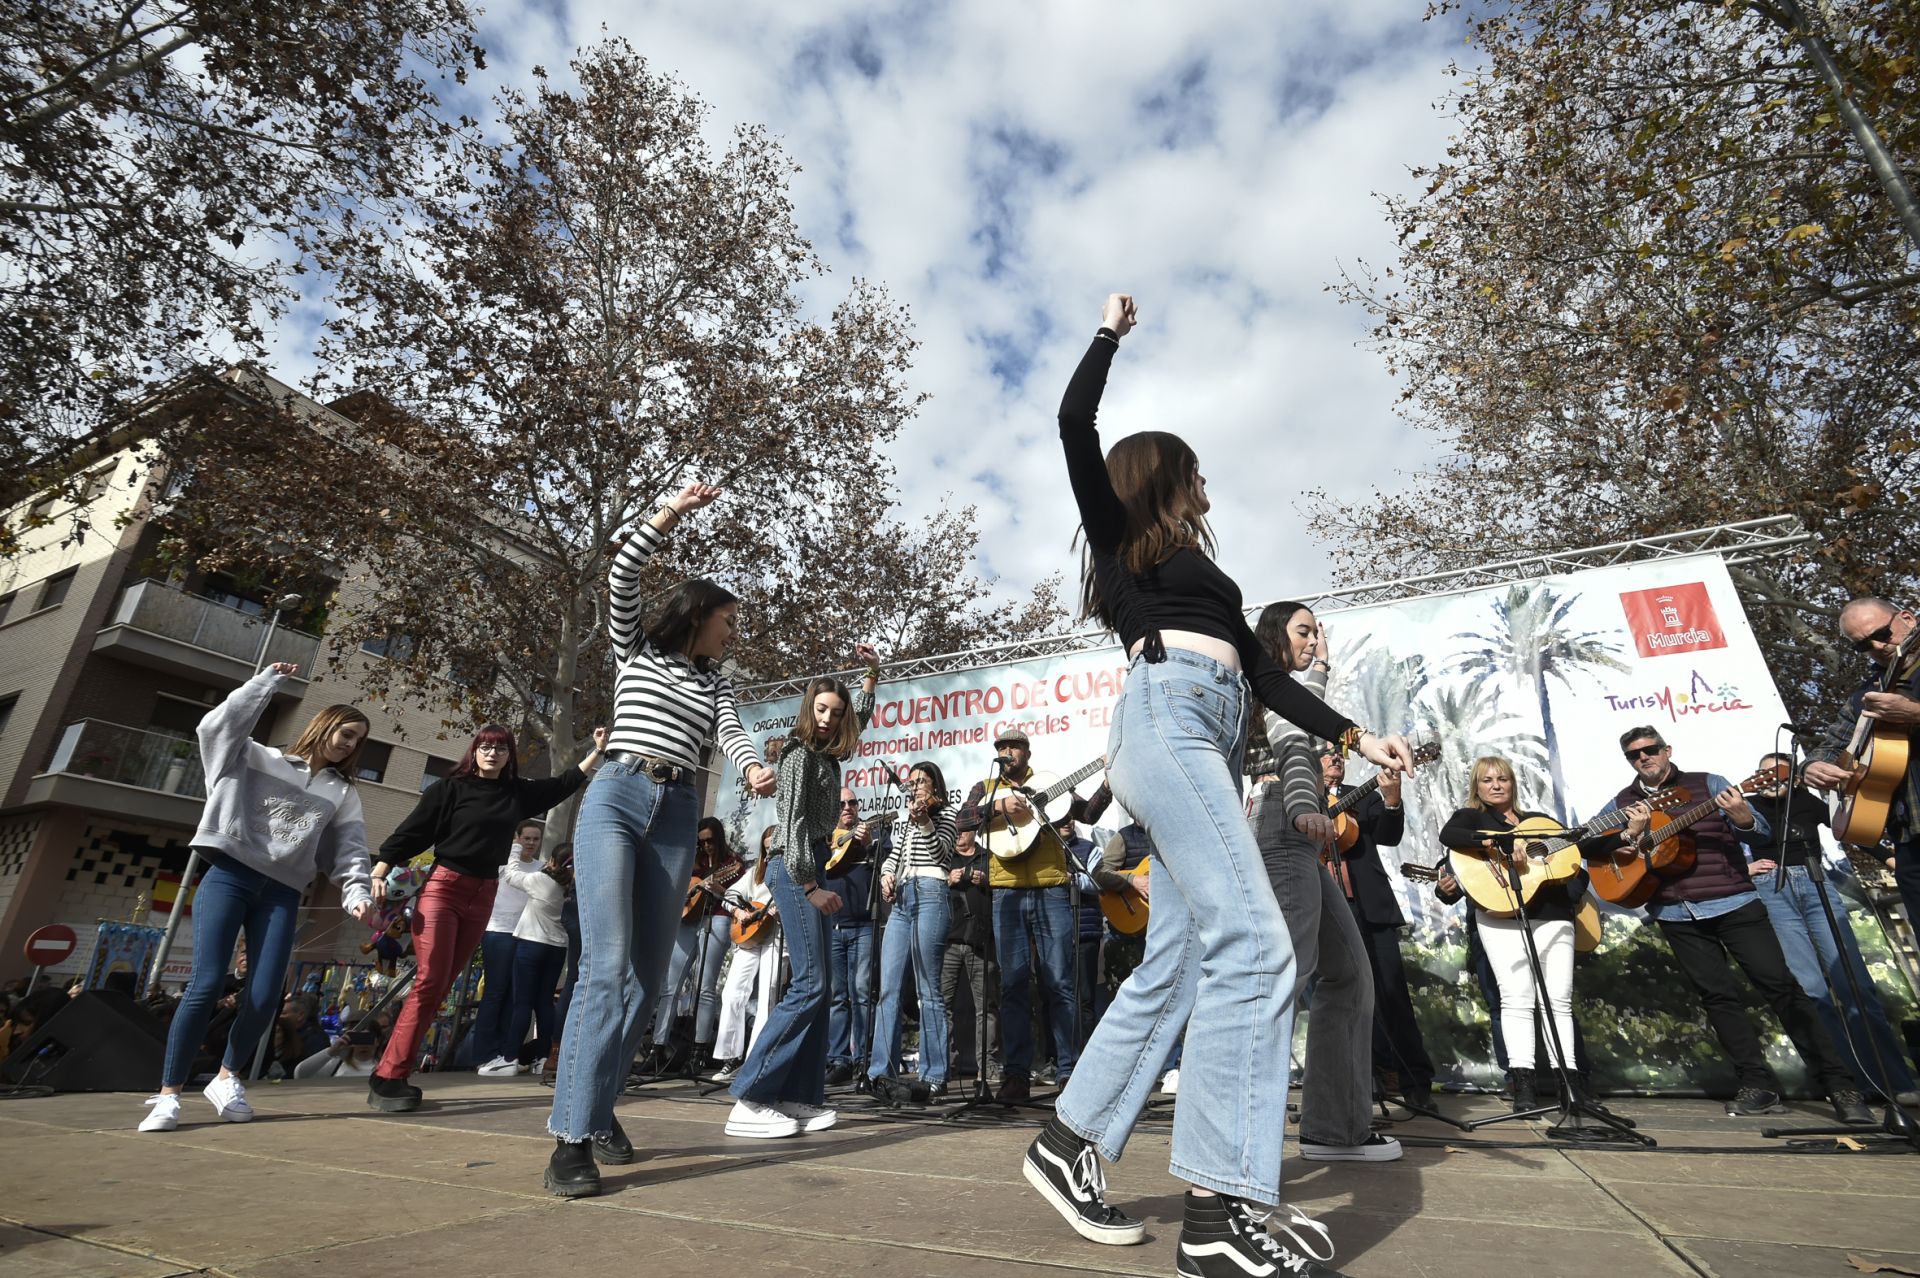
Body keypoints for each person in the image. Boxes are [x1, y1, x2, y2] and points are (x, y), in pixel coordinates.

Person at [1022, 293, 1413, 1278]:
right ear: (1161, 477)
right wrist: (1107, 333)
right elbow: (1074, 423)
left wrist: (1359, 733)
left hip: (1209, 733)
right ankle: (1219, 1210)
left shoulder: (1208, 573)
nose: (1207, 481)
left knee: (1186, 962)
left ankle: (1069, 1143)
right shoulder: (1119, 542)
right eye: (1194, 468)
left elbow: (1270, 677)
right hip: (1166, 724)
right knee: (1256, 944)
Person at [546, 481, 775, 1197]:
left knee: (648, 984)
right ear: (700, 614)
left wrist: (753, 766)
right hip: (616, 795)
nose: (734, 634)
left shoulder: (716, 687)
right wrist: (676, 509)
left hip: (677, 811)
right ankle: (571, 1138)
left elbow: (732, 736)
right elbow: (622, 574)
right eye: (729, 622)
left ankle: (599, 1105)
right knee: (606, 969)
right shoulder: (635, 650)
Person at [139, 665, 375, 1132]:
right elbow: (215, 726)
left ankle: (227, 1078)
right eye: (346, 733)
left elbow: (349, 849)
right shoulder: (254, 758)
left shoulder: (342, 793)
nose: (350, 744)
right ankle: (168, 1095)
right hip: (230, 875)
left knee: (267, 995)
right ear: (323, 726)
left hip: (283, 892)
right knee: (206, 984)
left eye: (357, 740)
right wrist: (263, 685)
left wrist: (356, 892)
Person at [1595, 726, 1871, 1122]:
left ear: (1667, 750)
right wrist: (1628, 835)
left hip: (1733, 902)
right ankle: (1757, 1084)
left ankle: (1839, 1085)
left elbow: (1758, 829)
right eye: (1635, 755)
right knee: (1718, 998)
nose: (1644, 758)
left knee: (1782, 988)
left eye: (1650, 750)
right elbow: (1594, 841)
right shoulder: (1623, 801)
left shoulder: (1708, 784)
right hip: (1676, 912)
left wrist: (1743, 817)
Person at [368, 722, 605, 1111]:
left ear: (510, 755)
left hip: (484, 895)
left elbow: (563, 783)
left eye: (500, 748)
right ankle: (388, 1075)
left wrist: (597, 750)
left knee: (442, 986)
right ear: (474, 750)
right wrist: (380, 870)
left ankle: (394, 1071)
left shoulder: (514, 794)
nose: (492, 753)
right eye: (485, 746)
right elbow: (412, 832)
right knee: (430, 980)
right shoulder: (449, 789)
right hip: (444, 888)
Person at [1245, 602, 1399, 1161]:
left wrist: (1323, 670)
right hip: (1281, 828)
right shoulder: (1266, 692)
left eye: (1318, 632)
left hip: (1299, 841)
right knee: (1281, 983)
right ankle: (1240, 1146)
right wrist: (1305, 807)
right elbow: (1294, 747)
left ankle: (1333, 1131)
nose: (1315, 641)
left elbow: (1309, 716)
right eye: (1303, 632)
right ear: (1274, 639)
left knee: (1352, 977)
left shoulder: (1295, 690)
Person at [726, 646, 880, 1138]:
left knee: (820, 986)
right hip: (797, 870)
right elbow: (789, 827)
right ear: (808, 707)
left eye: (836, 713)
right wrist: (811, 885)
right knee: (811, 984)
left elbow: (864, 718)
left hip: (810, 866)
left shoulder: (829, 755)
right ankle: (751, 1097)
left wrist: (871, 676)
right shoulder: (796, 756)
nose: (829, 719)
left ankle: (797, 1095)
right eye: (821, 709)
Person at [1746, 752, 1919, 1105]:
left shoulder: (1808, 802)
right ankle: (1847, 1085)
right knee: (1812, 992)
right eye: (1763, 773)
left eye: (1778, 772)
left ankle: (1895, 1082)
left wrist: (1891, 859)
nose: (1770, 778)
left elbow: (1854, 832)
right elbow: (1714, 846)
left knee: (1855, 987)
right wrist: (1742, 869)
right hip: (1774, 892)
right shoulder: (1745, 807)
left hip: (1816, 886)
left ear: (1795, 778)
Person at [954, 728, 1109, 1104]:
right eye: (1002, 747)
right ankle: (1016, 1075)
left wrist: (1108, 780)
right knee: (1013, 987)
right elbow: (963, 820)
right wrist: (999, 808)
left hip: (1052, 887)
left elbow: (1087, 812)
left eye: (1015, 747)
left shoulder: (1046, 784)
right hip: (1006, 892)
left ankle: (1070, 1072)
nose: (1008, 752)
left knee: (1059, 983)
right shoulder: (986, 786)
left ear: (1027, 751)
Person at [1437, 757, 1589, 1114]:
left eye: (1502, 778)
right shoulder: (1470, 820)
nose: (1496, 785)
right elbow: (1451, 837)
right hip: (1499, 916)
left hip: (1552, 914)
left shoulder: (1541, 823)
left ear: (1513, 784)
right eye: (1487, 779)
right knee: (1515, 999)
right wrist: (1502, 844)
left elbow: (1575, 864)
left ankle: (1570, 1083)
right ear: (1477, 787)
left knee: (1559, 1001)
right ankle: (1523, 1086)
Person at [1316, 744, 1435, 1109]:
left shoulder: (1357, 794)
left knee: (1392, 993)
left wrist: (1392, 799)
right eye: (1326, 753)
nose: (1336, 758)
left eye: (1340, 754)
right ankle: (1358, 1084)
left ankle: (1415, 1082)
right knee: (1341, 998)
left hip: (1369, 907)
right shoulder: (1298, 799)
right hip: (1323, 908)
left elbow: (1387, 835)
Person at [1804, 598, 1920, 941]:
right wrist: (1814, 767)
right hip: (1908, 836)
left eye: (1882, 634)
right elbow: (1830, 746)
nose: (1877, 647)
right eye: (1862, 645)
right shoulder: (1867, 695)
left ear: (1908, 619)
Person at [867, 760, 957, 1101]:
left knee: (927, 989)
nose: (916, 785)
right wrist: (888, 875)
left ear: (935, 786)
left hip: (932, 893)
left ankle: (934, 1074)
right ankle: (880, 1072)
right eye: (912, 780)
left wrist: (925, 824)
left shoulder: (946, 814)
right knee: (888, 988)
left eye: (923, 781)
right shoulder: (904, 816)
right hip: (903, 897)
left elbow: (941, 854)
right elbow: (894, 857)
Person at [651, 817, 743, 1073]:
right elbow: (674, 884)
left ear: (719, 838)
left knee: (705, 989)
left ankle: (698, 1053)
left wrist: (721, 891)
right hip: (688, 920)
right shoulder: (694, 859)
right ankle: (657, 1048)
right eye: (701, 842)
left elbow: (741, 897)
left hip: (717, 920)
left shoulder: (732, 863)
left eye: (710, 841)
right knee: (671, 986)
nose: (706, 847)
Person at [474, 820, 547, 1075]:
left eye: (535, 839)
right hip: (499, 930)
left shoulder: (541, 868)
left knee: (516, 995)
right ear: (517, 839)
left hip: (526, 933)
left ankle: (507, 1051)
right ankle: (484, 1052)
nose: (531, 843)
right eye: (526, 838)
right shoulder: (505, 864)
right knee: (495, 991)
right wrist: (513, 850)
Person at [711, 830, 782, 1082]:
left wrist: (780, 909)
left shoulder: (790, 871)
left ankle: (755, 1060)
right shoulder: (756, 873)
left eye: (776, 847)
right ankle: (731, 1058)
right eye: (767, 848)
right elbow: (729, 895)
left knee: (768, 995)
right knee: (732, 992)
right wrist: (738, 911)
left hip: (775, 938)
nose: (772, 852)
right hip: (750, 937)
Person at [500, 850, 573, 1082]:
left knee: (522, 1003)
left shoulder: (541, 880)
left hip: (531, 944)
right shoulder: (572, 887)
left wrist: (514, 849)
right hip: (558, 948)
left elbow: (511, 875)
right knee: (545, 1003)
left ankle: (509, 1058)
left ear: (553, 861)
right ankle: (543, 1057)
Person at [825, 790, 882, 1086]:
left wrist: (870, 845)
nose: (848, 807)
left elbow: (886, 865)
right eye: (842, 803)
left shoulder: (871, 833)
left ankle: (862, 1060)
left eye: (853, 803)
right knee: (837, 996)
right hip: (833, 927)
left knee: (861, 994)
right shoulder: (826, 837)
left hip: (863, 926)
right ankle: (838, 1060)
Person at [942, 829, 1000, 1087]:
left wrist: (986, 879)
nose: (957, 834)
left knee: (986, 1007)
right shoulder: (944, 857)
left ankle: (987, 1066)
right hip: (949, 941)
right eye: (954, 829)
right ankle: (944, 1065)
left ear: (973, 831)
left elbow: (1003, 884)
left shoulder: (988, 857)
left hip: (981, 939)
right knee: (941, 1005)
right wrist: (947, 879)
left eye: (962, 830)